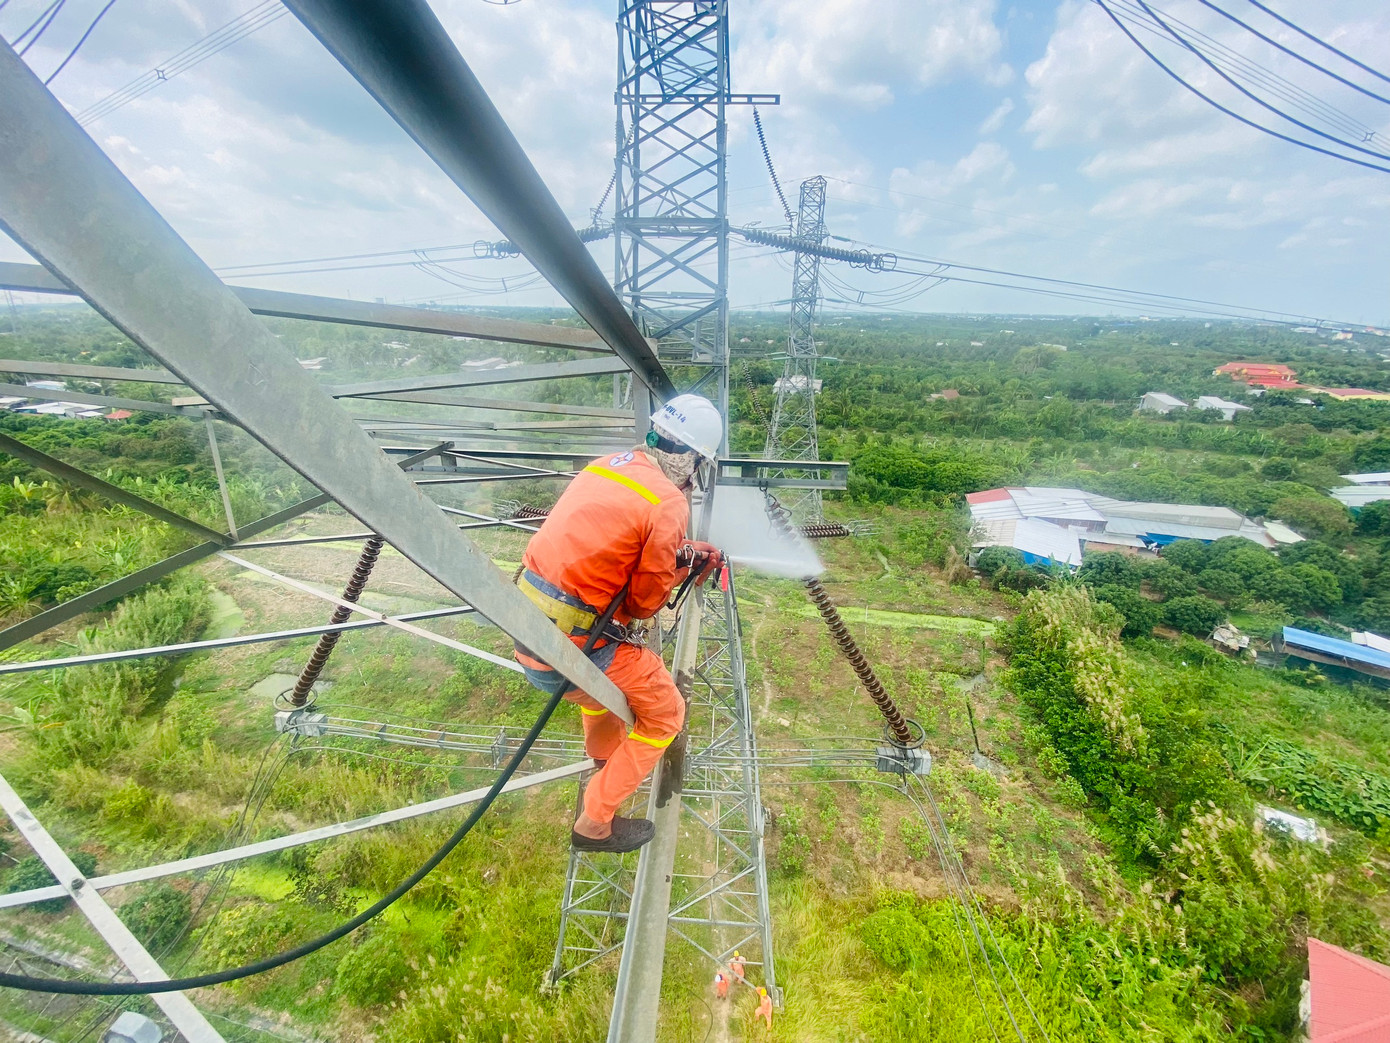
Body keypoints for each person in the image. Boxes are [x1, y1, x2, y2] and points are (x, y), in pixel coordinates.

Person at [514, 394, 725, 853]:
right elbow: (646, 602)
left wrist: (681, 551)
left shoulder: (606, 464)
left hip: (530, 638)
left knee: (600, 693)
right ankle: (594, 824)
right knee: (666, 715)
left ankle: (604, 757)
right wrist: (681, 564)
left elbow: (615, 538)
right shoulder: (668, 501)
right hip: (579, 649)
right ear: (691, 459)